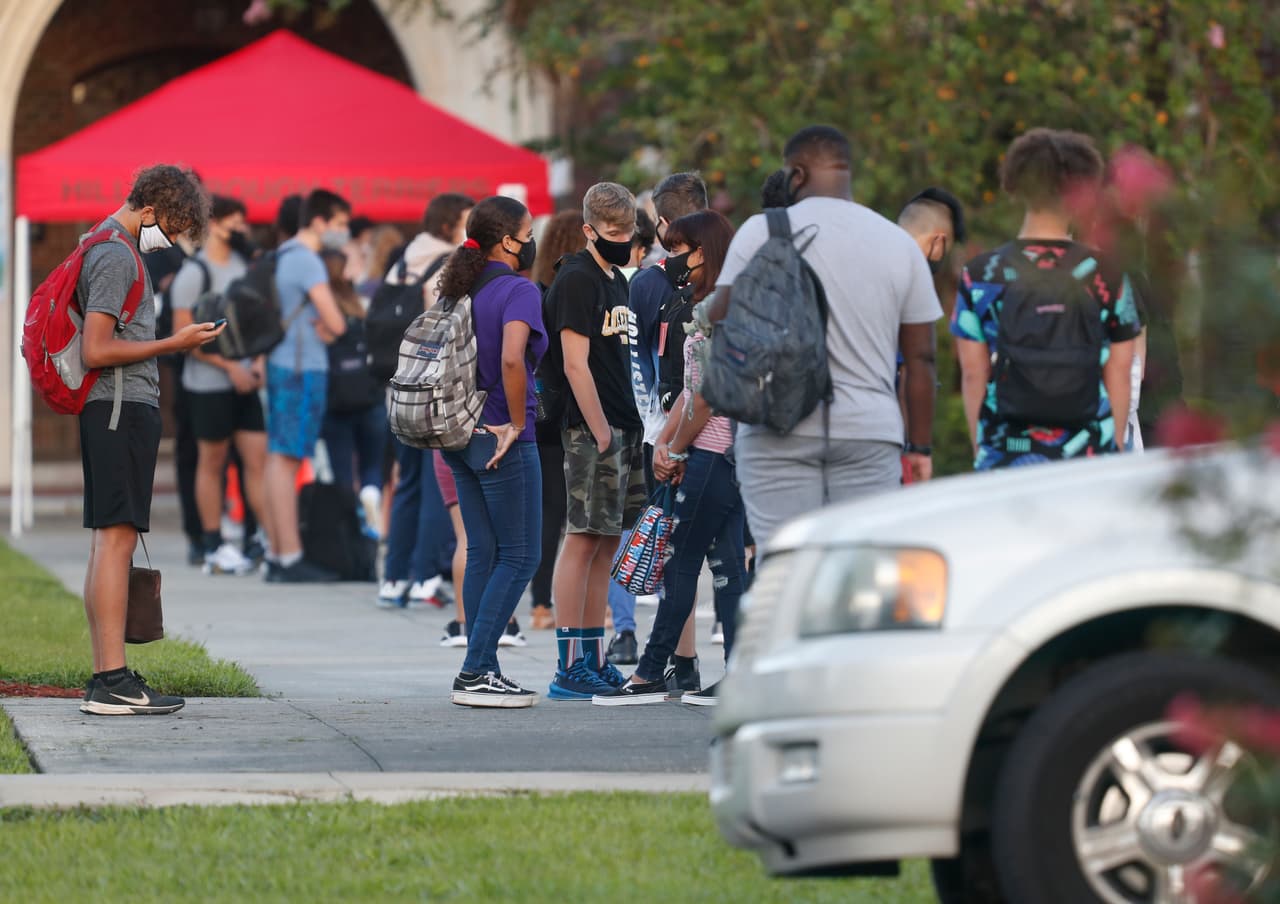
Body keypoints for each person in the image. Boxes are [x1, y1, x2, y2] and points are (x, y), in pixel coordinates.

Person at [706, 126, 943, 548]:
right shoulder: (897, 242)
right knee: (861, 569)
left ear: (796, 174)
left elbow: (719, 317)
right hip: (869, 431)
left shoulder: (761, 232)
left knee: (785, 563)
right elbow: (921, 359)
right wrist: (920, 448)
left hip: (777, 425)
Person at [77, 164, 227, 715]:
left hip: (110, 408)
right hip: (120, 407)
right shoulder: (117, 254)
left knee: (107, 542)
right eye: (170, 224)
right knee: (114, 543)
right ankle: (111, 679)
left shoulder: (101, 242)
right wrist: (173, 342)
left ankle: (106, 675)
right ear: (150, 210)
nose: (169, 236)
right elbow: (97, 348)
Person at [594, 210, 744, 707]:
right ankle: (733, 676)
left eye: (678, 248)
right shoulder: (702, 305)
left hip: (716, 451)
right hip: (711, 450)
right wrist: (665, 443)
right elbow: (688, 387)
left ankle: (651, 673)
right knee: (725, 568)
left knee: (681, 562)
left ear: (703, 251)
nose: (669, 258)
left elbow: (709, 396)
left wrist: (675, 447)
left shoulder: (723, 309)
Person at [952, 128, 1139, 469]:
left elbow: (972, 372)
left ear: (1018, 186)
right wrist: (1114, 446)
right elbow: (1121, 367)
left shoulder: (980, 274)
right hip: (1088, 453)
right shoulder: (1107, 273)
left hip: (1005, 450)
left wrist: (982, 448)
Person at [436, 196, 547, 707]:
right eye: (527, 232)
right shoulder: (518, 291)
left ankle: (485, 668)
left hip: (457, 434)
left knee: (483, 551)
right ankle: (477, 667)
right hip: (503, 435)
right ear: (508, 240)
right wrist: (518, 423)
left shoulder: (460, 287)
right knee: (522, 555)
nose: (531, 240)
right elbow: (511, 360)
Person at [544, 182, 645, 700]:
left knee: (607, 542)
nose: (623, 240)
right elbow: (574, 364)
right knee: (582, 538)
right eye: (612, 233)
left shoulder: (616, 281)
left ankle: (593, 655)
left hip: (625, 423)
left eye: (629, 232)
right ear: (588, 230)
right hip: (591, 430)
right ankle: (567, 666)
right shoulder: (578, 279)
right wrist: (601, 429)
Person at [612, 173, 710, 665]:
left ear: (664, 222)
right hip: (725, 432)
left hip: (667, 429)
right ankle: (707, 660)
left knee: (675, 550)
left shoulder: (646, 283)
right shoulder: (730, 273)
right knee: (729, 555)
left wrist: (656, 436)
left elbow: (638, 368)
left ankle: (681, 660)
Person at [379, 193, 475, 609]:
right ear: (452, 223)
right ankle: (426, 575)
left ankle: (393, 575)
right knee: (440, 484)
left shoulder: (403, 258)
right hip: (435, 389)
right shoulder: (449, 260)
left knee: (408, 481)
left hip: (399, 384)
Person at [168, 195, 267, 576]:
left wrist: (254, 365)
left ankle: (257, 538)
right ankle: (212, 542)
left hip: (246, 383)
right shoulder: (195, 273)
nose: (240, 230)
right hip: (208, 384)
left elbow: (260, 323)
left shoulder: (246, 267)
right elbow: (181, 335)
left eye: (243, 223)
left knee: (255, 460)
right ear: (215, 226)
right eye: (233, 223)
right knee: (212, 462)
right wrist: (229, 367)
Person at [261, 188, 350, 583]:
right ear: (319, 222)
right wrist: (332, 327)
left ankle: (278, 552)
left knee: (277, 459)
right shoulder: (307, 261)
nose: (342, 232)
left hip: (282, 364)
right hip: (302, 367)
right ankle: (291, 555)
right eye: (340, 224)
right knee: (287, 459)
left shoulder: (280, 255)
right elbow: (337, 321)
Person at [527, 210, 586, 631]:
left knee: (548, 510)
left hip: (540, 410)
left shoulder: (535, 289)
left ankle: (541, 602)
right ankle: (566, 601)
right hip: (572, 408)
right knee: (575, 511)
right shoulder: (576, 288)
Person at [318, 248, 387, 519]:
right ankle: (371, 493)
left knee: (342, 471)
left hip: (336, 400)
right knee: (372, 464)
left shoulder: (319, 313)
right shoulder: (362, 304)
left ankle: (351, 524)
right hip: (370, 395)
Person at [437, 448, 528, 650]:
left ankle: (462, 623)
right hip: (493, 445)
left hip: (448, 437)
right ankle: (505, 622)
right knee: (503, 543)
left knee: (466, 538)